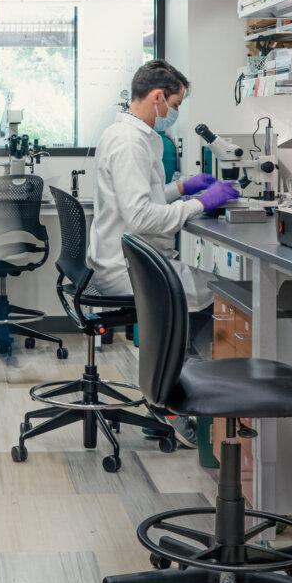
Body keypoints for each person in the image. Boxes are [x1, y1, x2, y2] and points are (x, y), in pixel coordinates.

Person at [88, 59, 240, 445]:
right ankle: (180, 398)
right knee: (218, 293)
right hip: (126, 267)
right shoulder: (129, 142)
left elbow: (144, 198)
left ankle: (184, 386)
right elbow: (140, 216)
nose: (174, 112)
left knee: (208, 289)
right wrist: (203, 203)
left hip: (127, 259)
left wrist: (183, 189)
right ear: (157, 97)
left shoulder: (133, 136)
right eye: (175, 103)